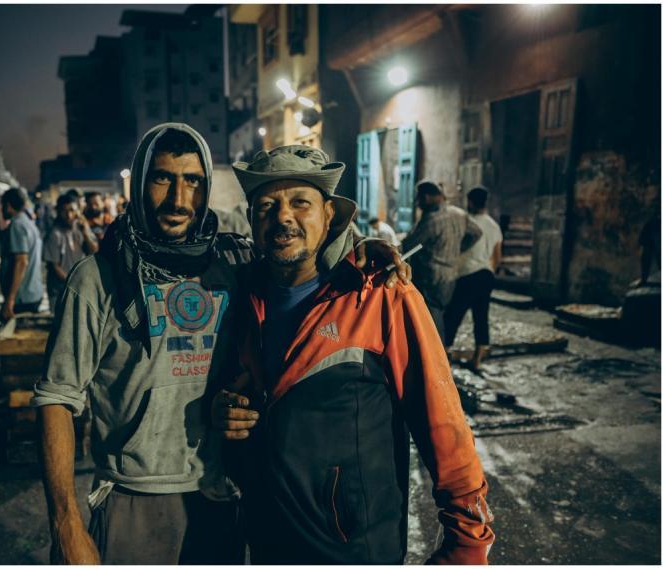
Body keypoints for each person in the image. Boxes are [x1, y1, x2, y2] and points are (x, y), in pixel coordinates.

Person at [32, 124, 409, 564]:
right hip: (134, 503)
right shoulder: (96, 280)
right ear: (137, 184)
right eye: (162, 178)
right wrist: (66, 524)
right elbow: (56, 399)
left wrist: (358, 249)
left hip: (221, 496)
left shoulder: (232, 261)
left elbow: (297, 254)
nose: (178, 199)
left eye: (192, 181)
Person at [212, 146, 495, 564]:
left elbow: (443, 422)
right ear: (252, 219)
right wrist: (224, 412)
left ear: (329, 215)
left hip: (355, 548)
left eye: (300, 203)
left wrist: (468, 544)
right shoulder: (244, 296)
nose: (283, 217)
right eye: (267, 205)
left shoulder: (381, 293)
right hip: (270, 540)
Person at [401, 180, 482, 340]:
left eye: (419, 198)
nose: (417, 203)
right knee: (440, 315)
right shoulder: (459, 214)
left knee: (431, 320)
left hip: (431, 277)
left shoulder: (431, 220)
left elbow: (409, 245)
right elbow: (476, 232)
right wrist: (458, 249)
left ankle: (438, 358)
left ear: (427, 197)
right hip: (451, 274)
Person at [443, 186, 503, 370]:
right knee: (481, 317)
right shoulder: (494, 225)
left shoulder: (465, 222)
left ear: (470, 201)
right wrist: (488, 269)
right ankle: (476, 360)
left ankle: (445, 355)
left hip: (468, 275)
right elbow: (497, 256)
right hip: (486, 275)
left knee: (453, 315)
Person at [42, 193, 99, 311]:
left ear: (78, 211)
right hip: (59, 291)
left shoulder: (81, 228)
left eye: (72, 210)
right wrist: (73, 283)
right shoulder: (54, 234)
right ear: (58, 211)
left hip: (80, 289)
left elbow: (94, 251)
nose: (69, 215)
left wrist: (85, 233)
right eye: (64, 211)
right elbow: (55, 266)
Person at [1, 187, 43, 319]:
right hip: (34, 292)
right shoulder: (29, 223)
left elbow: (21, 262)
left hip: (22, 297)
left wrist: (10, 299)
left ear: (8, 206)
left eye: (3, 205)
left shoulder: (17, 225)